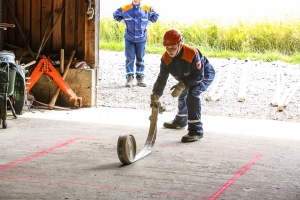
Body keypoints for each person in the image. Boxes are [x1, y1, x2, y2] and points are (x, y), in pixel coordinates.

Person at [150, 29, 215, 143]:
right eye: (167, 48)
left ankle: (196, 131)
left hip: (204, 74)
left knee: (192, 94)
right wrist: (156, 94)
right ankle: (180, 121)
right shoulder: (165, 58)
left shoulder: (191, 53)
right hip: (187, 78)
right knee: (182, 93)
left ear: (179, 45)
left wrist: (181, 85)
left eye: (173, 48)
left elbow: (198, 76)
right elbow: (161, 79)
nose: (169, 51)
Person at [113, 0, 159, 87]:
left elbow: (156, 15)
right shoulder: (125, 8)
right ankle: (129, 78)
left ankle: (140, 78)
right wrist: (123, 22)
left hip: (141, 39)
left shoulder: (147, 8)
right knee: (129, 58)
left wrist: (148, 23)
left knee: (140, 59)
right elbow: (115, 14)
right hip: (129, 38)